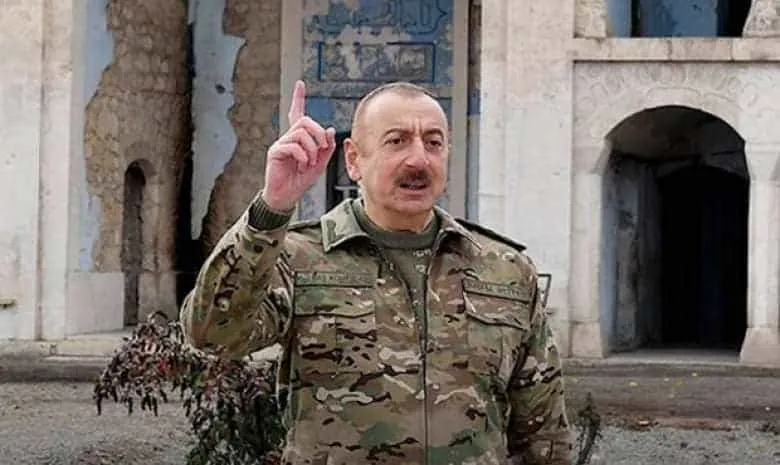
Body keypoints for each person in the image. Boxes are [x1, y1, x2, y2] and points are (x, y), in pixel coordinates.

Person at [180, 80, 573, 465]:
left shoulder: (504, 269)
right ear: (354, 159)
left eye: (433, 142)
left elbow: (543, 432)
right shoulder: (300, 258)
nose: (419, 160)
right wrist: (272, 208)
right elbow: (212, 334)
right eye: (397, 141)